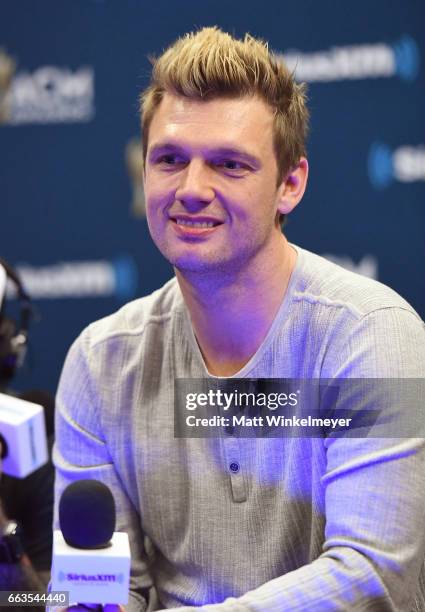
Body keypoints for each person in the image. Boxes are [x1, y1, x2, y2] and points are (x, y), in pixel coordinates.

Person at [53, 27, 425, 611]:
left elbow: (373, 574)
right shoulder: (101, 361)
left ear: (290, 184)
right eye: (170, 160)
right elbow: (102, 588)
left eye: (229, 165)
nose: (192, 189)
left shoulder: (373, 333)